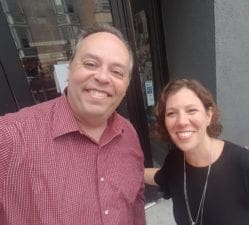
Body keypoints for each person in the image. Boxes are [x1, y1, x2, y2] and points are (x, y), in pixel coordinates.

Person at [0, 24, 146, 225]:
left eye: (117, 72)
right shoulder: (11, 137)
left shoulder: (128, 133)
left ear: (126, 86)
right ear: (69, 69)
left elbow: (136, 199)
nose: (102, 77)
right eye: (90, 64)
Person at [145, 78, 249, 225]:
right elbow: (160, 176)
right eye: (171, 113)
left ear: (208, 115)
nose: (182, 121)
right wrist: (125, 172)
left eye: (191, 110)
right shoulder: (175, 161)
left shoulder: (248, 168)